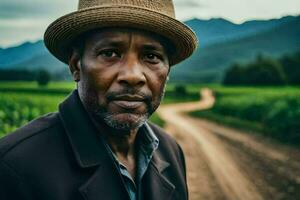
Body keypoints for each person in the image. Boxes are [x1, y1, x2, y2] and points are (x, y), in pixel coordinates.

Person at [0, 0, 197, 199]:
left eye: (152, 56)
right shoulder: (14, 165)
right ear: (76, 65)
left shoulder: (170, 150)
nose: (133, 76)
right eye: (110, 53)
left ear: (168, 72)